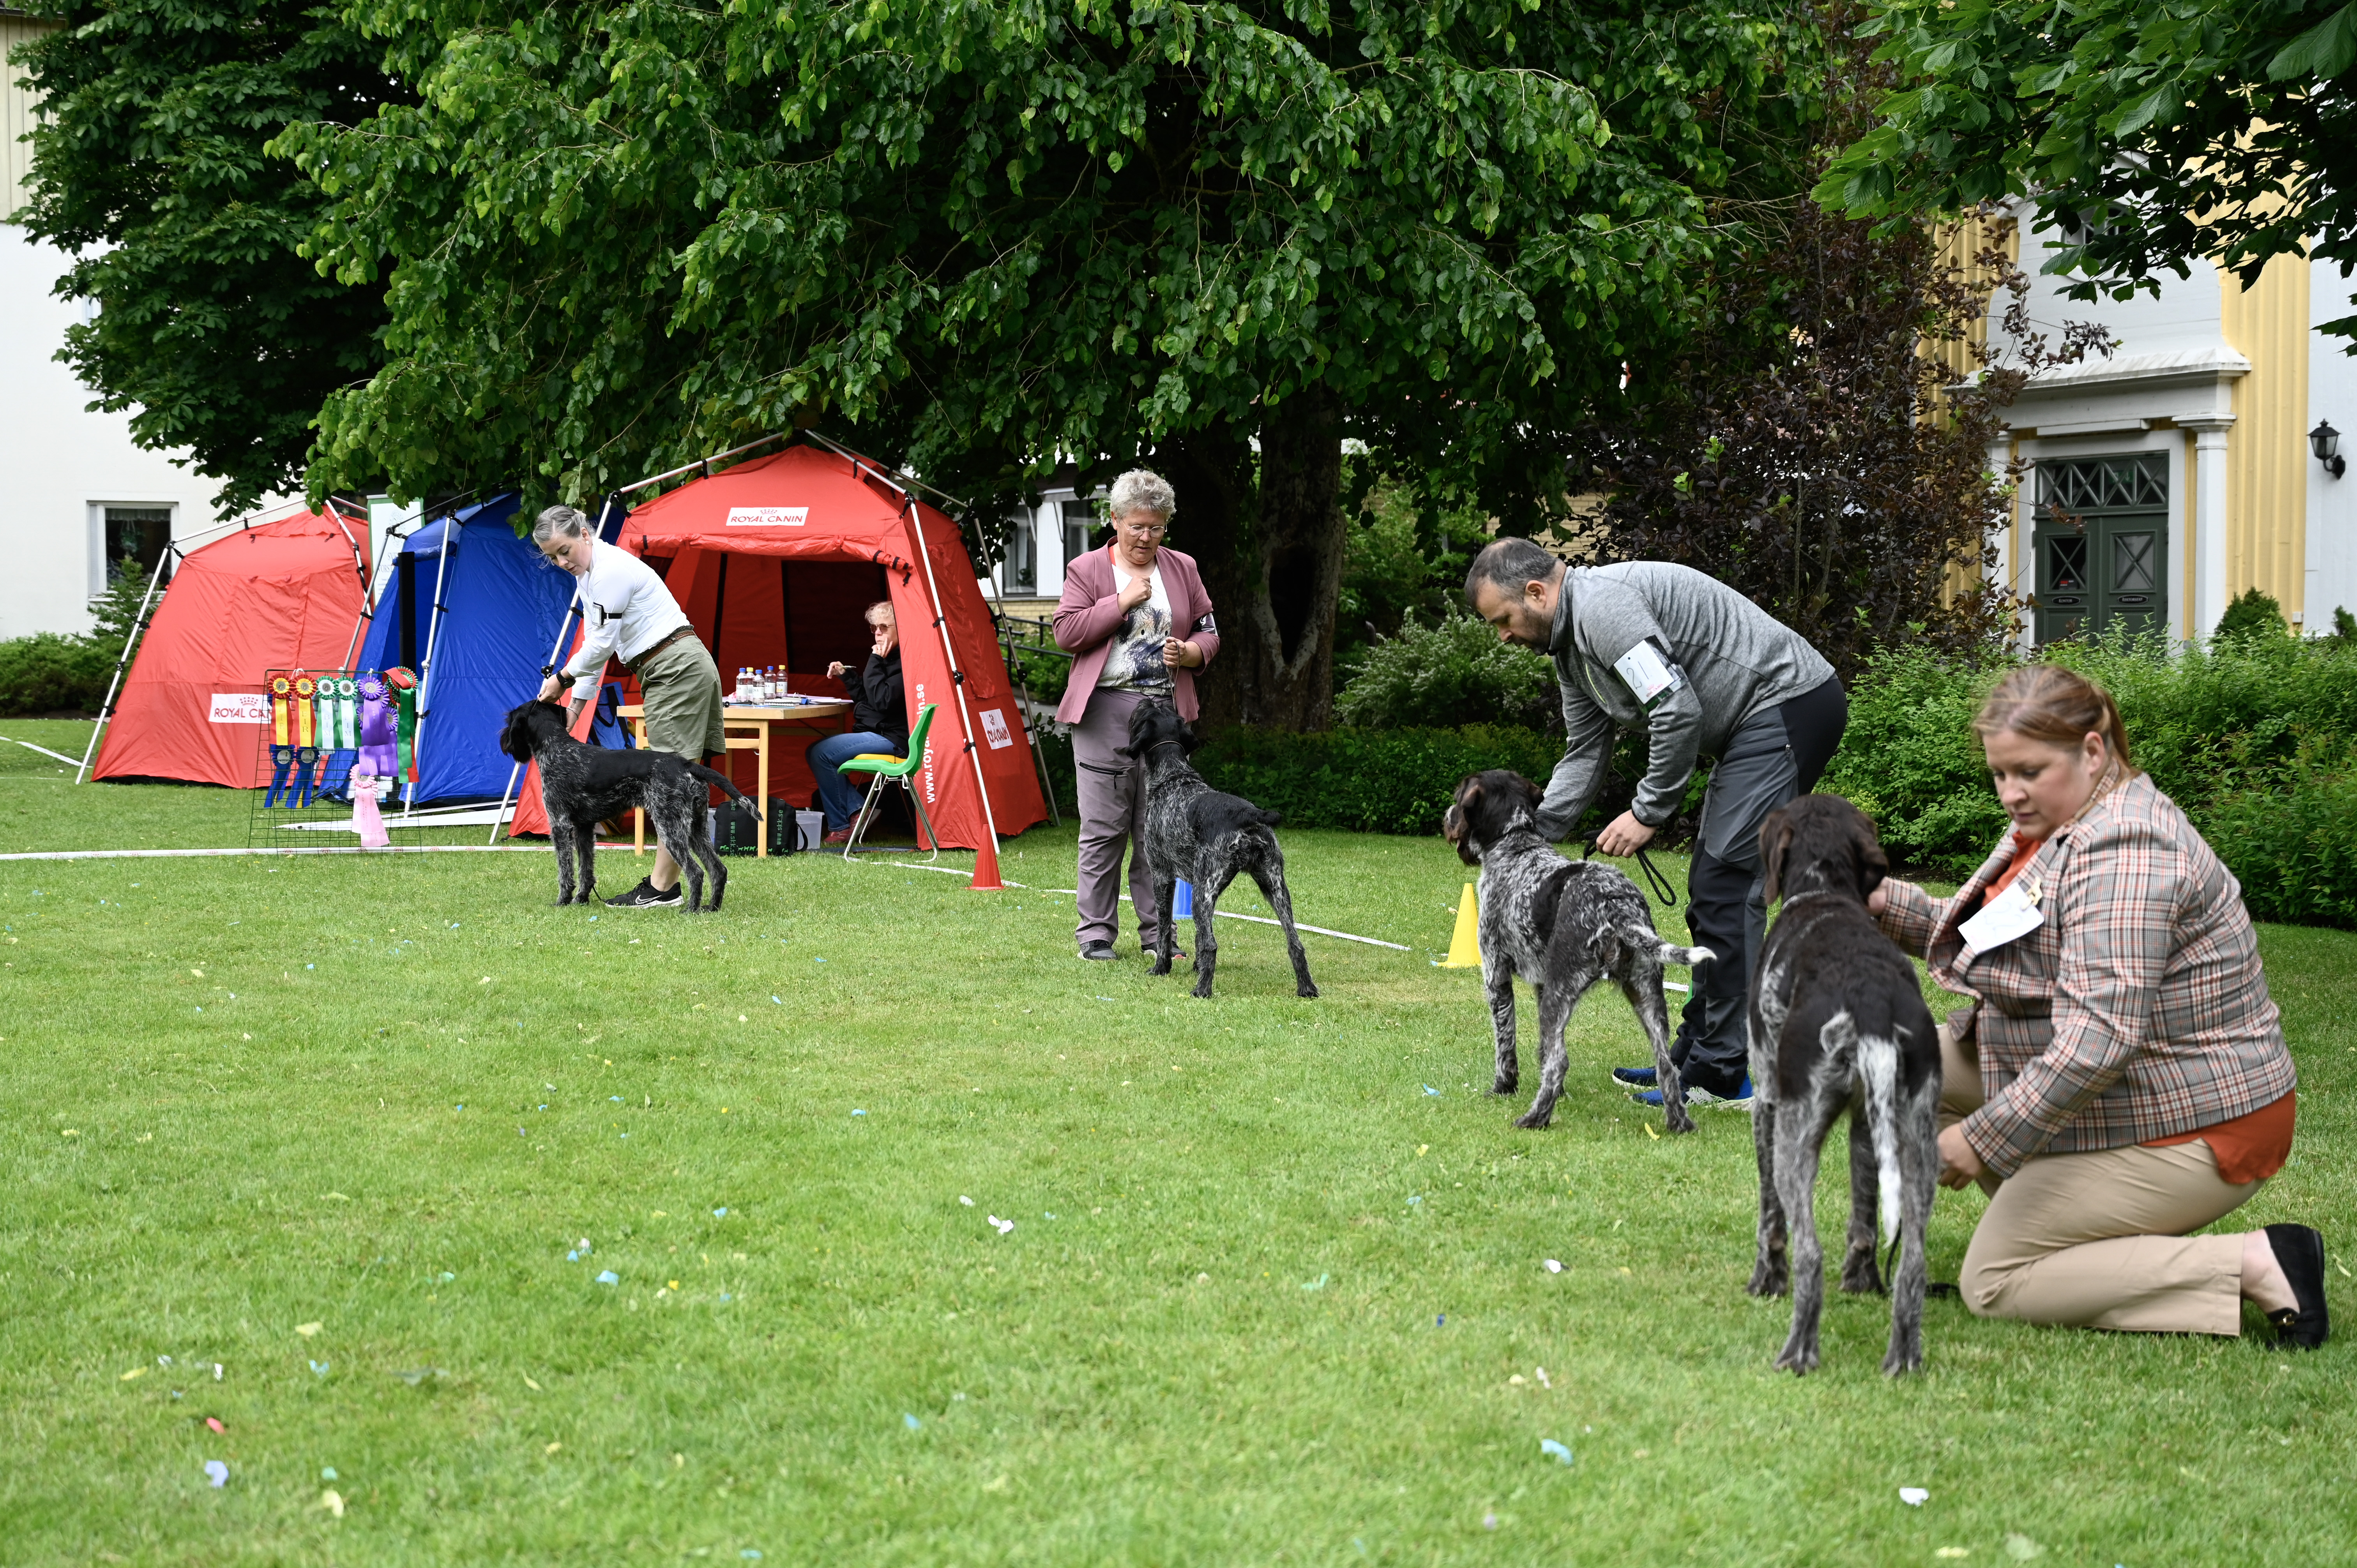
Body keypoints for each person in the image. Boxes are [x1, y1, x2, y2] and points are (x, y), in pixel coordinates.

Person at [1869, 665, 2327, 1346]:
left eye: (2026, 769)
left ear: (2091, 749)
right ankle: (2071, 1242)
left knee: (1992, 1280)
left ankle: (2255, 1261)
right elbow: (1996, 939)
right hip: (2135, 1088)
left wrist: (1980, 1138)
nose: (2009, 792)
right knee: (1903, 1064)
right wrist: (1877, 899)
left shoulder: (2126, 848)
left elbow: (2100, 1038)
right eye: (1998, 773)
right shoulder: (2062, 818)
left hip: (2201, 1123)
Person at [1463, 539, 1847, 1108]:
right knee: (1711, 887)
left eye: (1504, 619)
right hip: (1751, 725)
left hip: (1786, 706)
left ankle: (1724, 1072)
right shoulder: (1570, 650)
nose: (1504, 634)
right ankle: (1695, 1054)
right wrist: (1533, 837)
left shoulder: (1603, 613)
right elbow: (1586, 750)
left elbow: (1675, 708)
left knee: (1725, 886)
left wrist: (1648, 811)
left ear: (1537, 593)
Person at [1052, 468, 1219, 961]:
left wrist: (1191, 652)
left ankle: (1159, 936)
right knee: (1104, 831)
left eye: (1157, 527)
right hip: (1105, 711)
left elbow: (1210, 630)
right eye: (1137, 526)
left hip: (1165, 717)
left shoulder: (1183, 568)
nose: (1147, 537)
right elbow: (1066, 632)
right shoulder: (1087, 570)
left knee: (1160, 832)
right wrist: (1120, 601)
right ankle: (1096, 935)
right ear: (1115, 520)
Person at [533, 503, 726, 908]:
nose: (561, 561)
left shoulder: (609, 572)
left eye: (565, 550)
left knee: (668, 785)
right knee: (676, 784)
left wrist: (561, 680)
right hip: (669, 666)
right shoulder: (590, 577)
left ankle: (663, 890)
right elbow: (597, 650)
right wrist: (574, 710)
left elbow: (600, 647)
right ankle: (673, 883)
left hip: (675, 668)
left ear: (585, 533)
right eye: (552, 556)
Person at [807, 601, 909, 843]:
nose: (878, 633)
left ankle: (843, 824)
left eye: (884, 627)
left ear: (902, 628)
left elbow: (883, 701)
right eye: (875, 627)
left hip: (893, 739)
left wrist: (873, 660)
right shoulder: (888, 658)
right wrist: (849, 677)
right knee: (815, 750)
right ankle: (857, 812)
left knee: (821, 753)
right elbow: (869, 700)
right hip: (879, 733)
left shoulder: (905, 661)